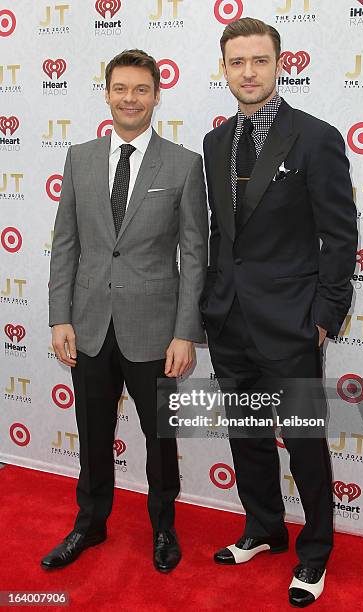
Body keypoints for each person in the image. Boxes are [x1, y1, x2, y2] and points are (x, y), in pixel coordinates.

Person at [200, 18, 357, 607]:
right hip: (229, 320)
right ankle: (264, 526)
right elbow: (222, 235)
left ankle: (315, 550)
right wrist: (209, 307)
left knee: (304, 441)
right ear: (224, 68)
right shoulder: (215, 143)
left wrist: (325, 315)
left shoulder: (316, 138)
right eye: (236, 62)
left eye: (259, 61)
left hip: (292, 323)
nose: (247, 72)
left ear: (279, 63)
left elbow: (340, 238)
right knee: (248, 438)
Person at [42, 49, 208, 573]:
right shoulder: (79, 158)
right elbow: (65, 243)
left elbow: (194, 254)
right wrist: (59, 316)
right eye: (121, 89)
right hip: (89, 324)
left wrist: (185, 333)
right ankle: (89, 524)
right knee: (92, 431)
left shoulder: (184, 164)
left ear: (157, 96)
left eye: (141, 90)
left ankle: (163, 526)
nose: (130, 99)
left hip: (155, 330)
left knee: (160, 436)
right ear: (106, 92)